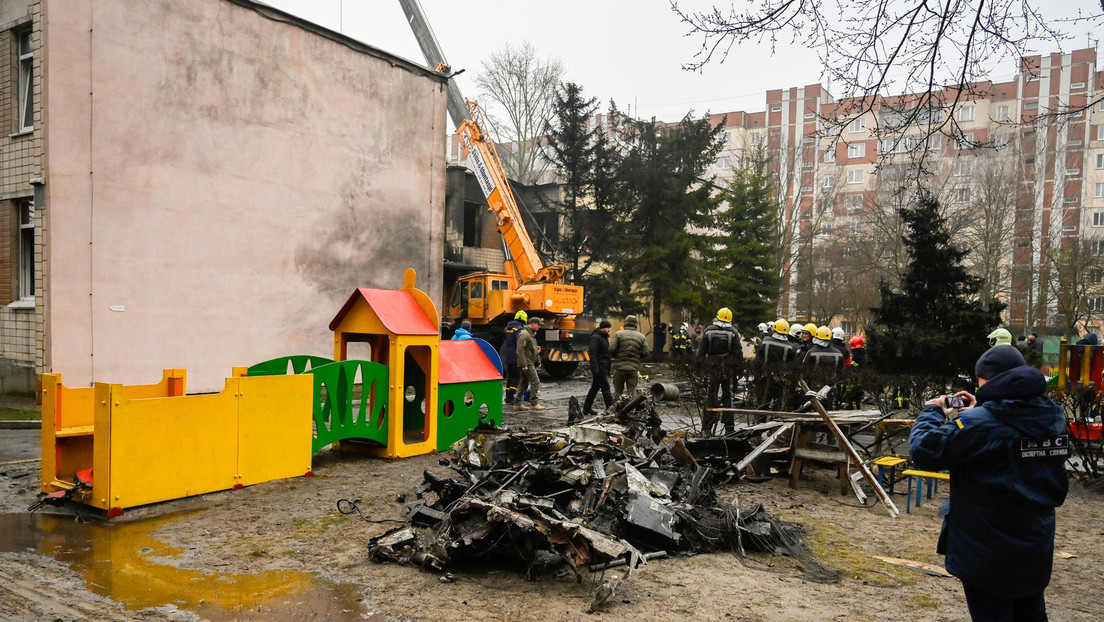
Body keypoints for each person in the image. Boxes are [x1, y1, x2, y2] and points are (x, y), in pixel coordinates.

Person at [909, 346, 1068, 621]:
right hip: (1034, 546)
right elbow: (1009, 442)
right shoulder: (1051, 416)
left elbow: (924, 451)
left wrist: (931, 412)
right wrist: (983, 409)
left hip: (988, 551)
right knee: (1030, 613)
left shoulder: (980, 424)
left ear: (988, 380)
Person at [697, 307, 743, 435]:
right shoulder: (733, 332)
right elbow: (738, 352)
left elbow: (701, 351)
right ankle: (729, 429)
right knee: (728, 397)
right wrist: (739, 369)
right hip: (728, 368)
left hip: (712, 367)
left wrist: (699, 367)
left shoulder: (708, 331)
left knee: (710, 396)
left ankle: (707, 428)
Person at [609, 315, 649, 399]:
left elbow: (612, 348)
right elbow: (646, 352)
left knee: (618, 392)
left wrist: (617, 356)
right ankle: (631, 410)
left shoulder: (618, 334)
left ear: (625, 323)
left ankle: (617, 409)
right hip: (633, 369)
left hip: (619, 368)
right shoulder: (641, 336)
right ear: (636, 324)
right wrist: (637, 358)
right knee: (631, 393)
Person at [582, 320, 613, 417]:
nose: (609, 330)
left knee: (595, 388)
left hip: (603, 366)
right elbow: (593, 353)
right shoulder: (596, 338)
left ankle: (587, 408)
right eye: (608, 328)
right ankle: (610, 408)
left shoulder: (603, 337)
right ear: (603, 328)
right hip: (599, 367)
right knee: (605, 387)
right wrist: (595, 368)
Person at [514, 317, 545, 411]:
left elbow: (532, 349)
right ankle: (534, 403)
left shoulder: (530, 334)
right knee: (536, 381)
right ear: (532, 324)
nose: (539, 327)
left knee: (524, 382)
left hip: (529, 362)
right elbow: (520, 350)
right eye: (538, 325)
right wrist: (524, 364)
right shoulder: (524, 334)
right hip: (527, 362)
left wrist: (537, 361)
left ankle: (517, 403)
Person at [502, 311, 526, 404]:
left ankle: (507, 397)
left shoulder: (507, 328)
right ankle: (512, 395)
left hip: (508, 356)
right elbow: (520, 343)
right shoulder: (519, 329)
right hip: (516, 356)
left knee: (510, 377)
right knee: (517, 377)